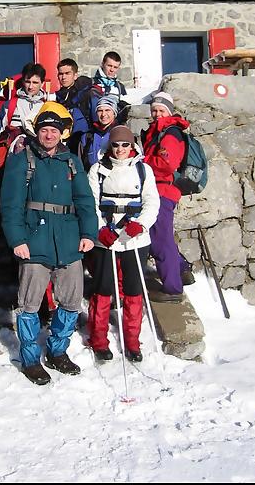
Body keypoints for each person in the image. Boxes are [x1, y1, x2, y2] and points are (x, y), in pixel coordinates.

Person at [0, 105, 98, 385]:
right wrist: (17, 239)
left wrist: (88, 233)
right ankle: (31, 359)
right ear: (37, 132)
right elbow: (10, 204)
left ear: (61, 133)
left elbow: (85, 200)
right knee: (29, 305)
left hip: (68, 241)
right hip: (34, 240)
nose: (49, 135)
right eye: (44, 130)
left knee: (70, 301)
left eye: (54, 130)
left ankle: (57, 352)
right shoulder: (22, 160)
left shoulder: (71, 162)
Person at [87, 125, 160, 362]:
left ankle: (132, 341)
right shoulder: (97, 169)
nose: (120, 149)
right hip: (106, 238)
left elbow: (152, 202)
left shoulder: (143, 170)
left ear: (132, 146)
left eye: (125, 145)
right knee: (103, 287)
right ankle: (98, 339)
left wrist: (141, 224)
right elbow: (90, 203)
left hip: (135, 238)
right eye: (116, 145)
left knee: (133, 288)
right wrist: (100, 229)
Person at [141, 92, 193, 302]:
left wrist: (142, 161)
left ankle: (173, 289)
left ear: (169, 111)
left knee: (161, 240)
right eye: (154, 110)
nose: (157, 114)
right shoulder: (158, 131)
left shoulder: (170, 132)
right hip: (158, 189)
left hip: (163, 190)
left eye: (161, 110)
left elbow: (167, 164)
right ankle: (181, 269)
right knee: (159, 238)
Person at [0, 62, 49, 149]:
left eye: (35, 82)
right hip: (13, 153)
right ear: (23, 81)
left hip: (40, 152)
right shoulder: (10, 105)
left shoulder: (46, 107)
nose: (30, 86)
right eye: (27, 82)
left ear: (42, 83)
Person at [54, 58, 92, 152]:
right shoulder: (60, 97)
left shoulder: (86, 93)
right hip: (66, 141)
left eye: (67, 73)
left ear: (75, 76)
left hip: (84, 140)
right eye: (61, 74)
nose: (63, 77)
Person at [79, 94, 119, 172]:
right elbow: (81, 163)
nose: (103, 114)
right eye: (100, 111)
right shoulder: (87, 137)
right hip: (91, 177)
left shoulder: (120, 134)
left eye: (107, 110)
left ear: (114, 113)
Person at [90, 51, 129, 123]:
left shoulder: (120, 87)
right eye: (109, 66)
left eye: (115, 67)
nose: (112, 70)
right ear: (102, 64)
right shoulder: (91, 83)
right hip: (93, 125)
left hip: (114, 124)